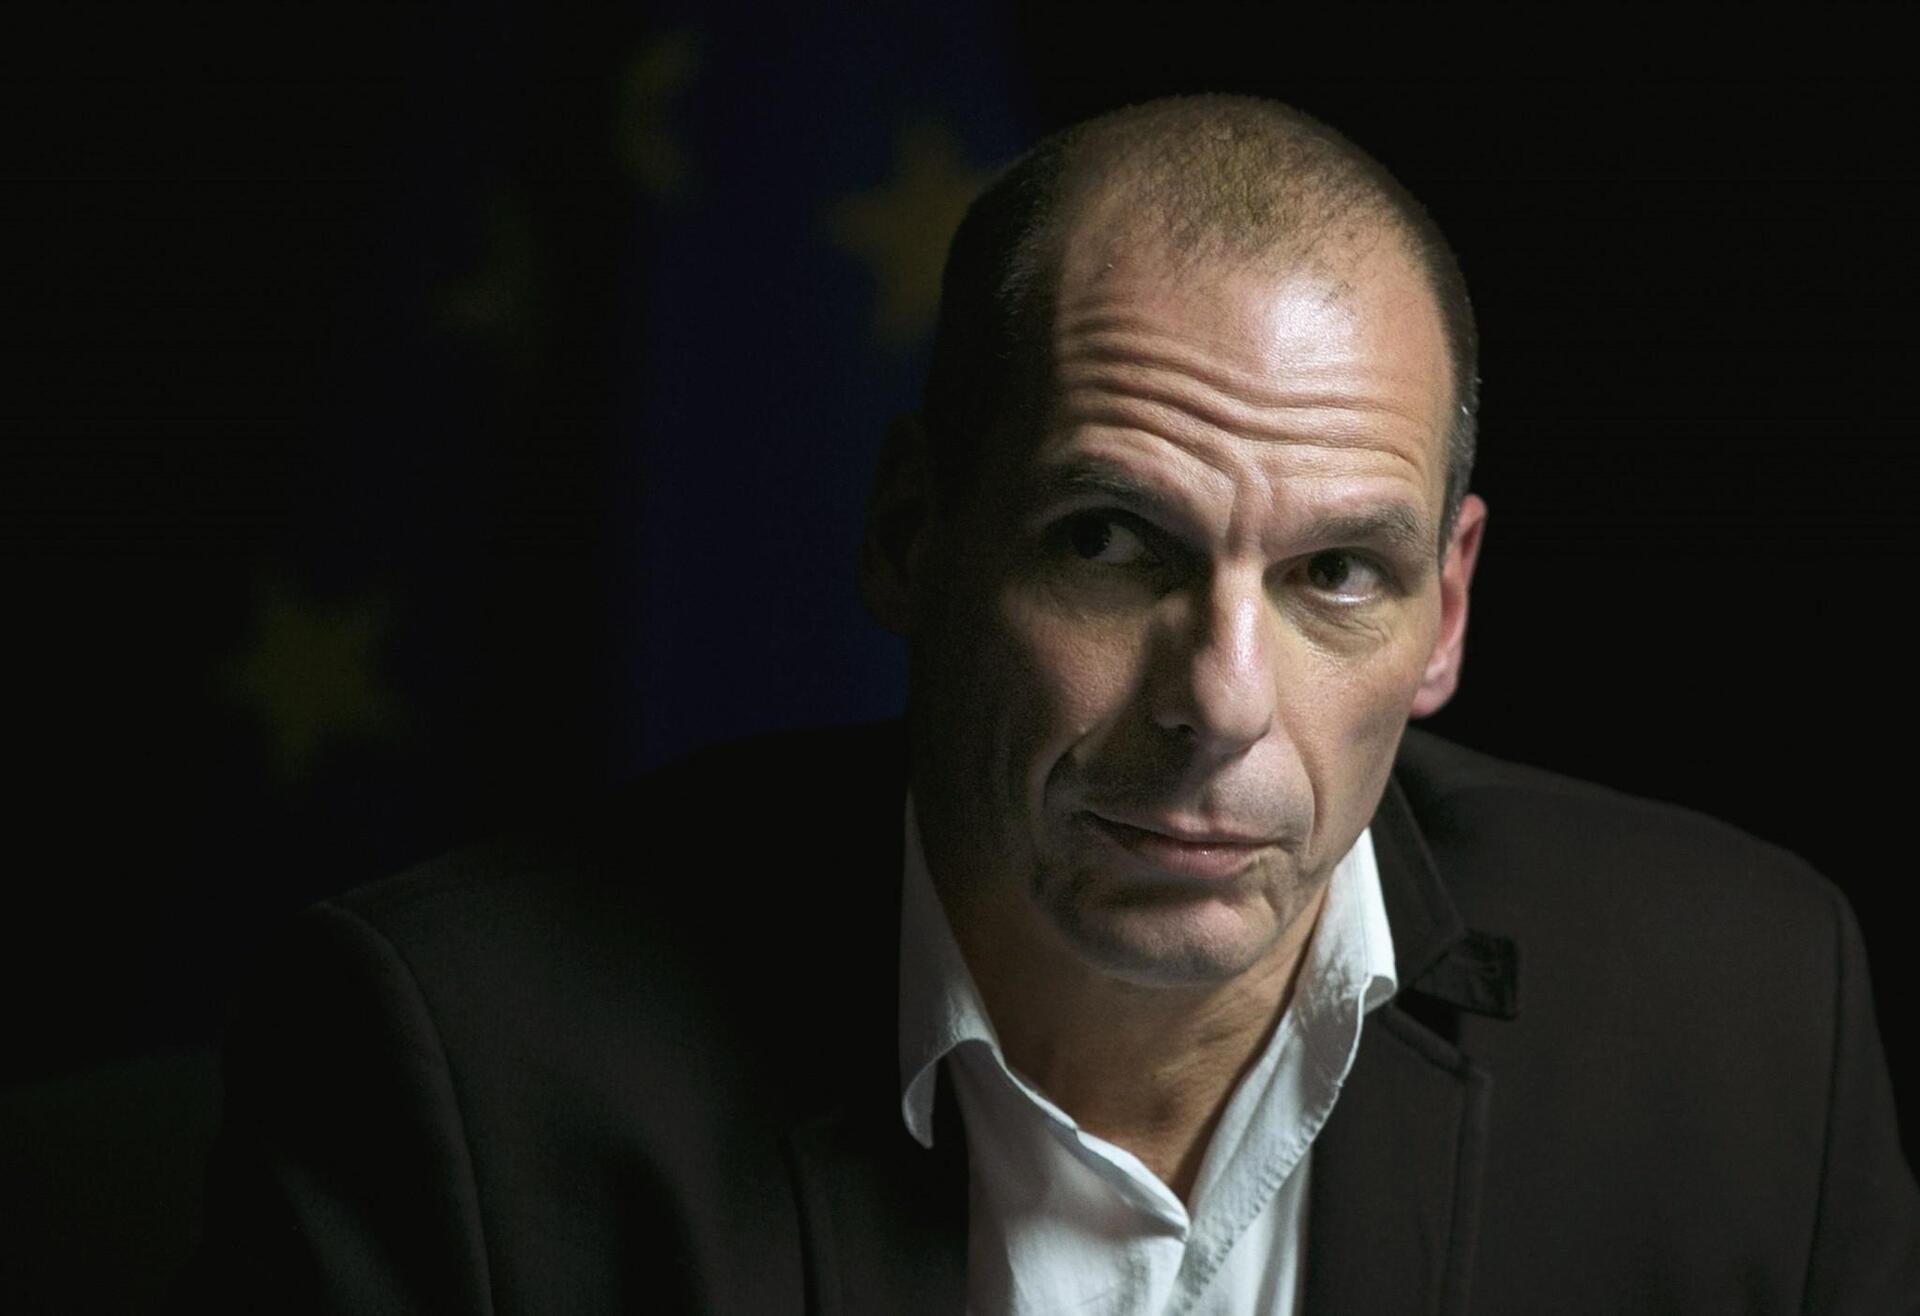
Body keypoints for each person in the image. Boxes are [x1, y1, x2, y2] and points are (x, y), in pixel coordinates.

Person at [177, 95, 1920, 1313]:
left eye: (1335, 574)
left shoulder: (1753, 1031)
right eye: (1108, 542)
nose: (1220, 703)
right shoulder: (462, 1073)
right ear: (911, 535)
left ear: (1445, 610)